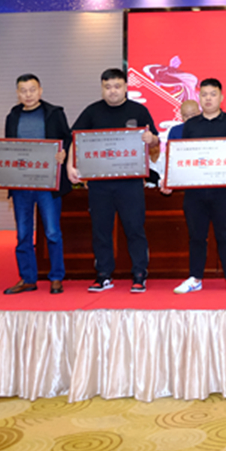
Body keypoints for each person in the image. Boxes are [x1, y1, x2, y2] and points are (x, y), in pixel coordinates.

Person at [68, 68, 160, 294]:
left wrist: (151, 139)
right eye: (107, 87)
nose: (112, 91)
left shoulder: (138, 110)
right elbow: (76, 139)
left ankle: (139, 274)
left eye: (117, 86)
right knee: (101, 230)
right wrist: (70, 165)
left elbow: (155, 140)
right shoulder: (92, 111)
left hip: (130, 182)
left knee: (134, 228)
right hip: (99, 183)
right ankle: (103, 275)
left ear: (126, 87)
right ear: (102, 88)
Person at [166, 78, 226, 295]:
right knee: (196, 235)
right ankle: (195, 278)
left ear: (221, 97)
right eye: (204, 95)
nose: (208, 98)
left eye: (213, 94)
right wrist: (172, 180)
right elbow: (182, 154)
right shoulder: (191, 125)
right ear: (199, 98)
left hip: (224, 190)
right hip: (195, 191)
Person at [2, 74, 73, 295]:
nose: (28, 94)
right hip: (20, 185)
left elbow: (68, 139)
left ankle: (56, 277)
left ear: (40, 91)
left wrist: (64, 152)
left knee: (52, 232)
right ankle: (27, 278)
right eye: (23, 90)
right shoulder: (12, 116)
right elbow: (7, 147)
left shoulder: (54, 113)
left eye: (32, 90)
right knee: (23, 234)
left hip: (48, 185)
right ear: (17, 93)